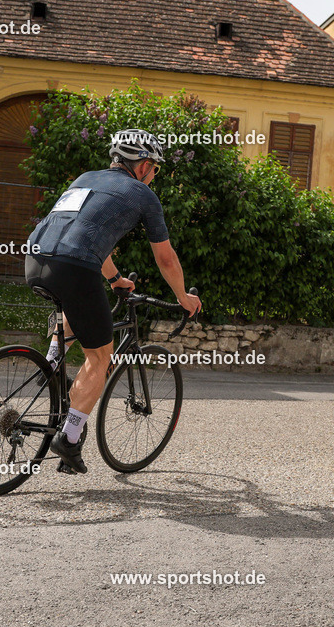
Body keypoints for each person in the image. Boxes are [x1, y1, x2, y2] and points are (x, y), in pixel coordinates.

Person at [25, 128, 202, 474]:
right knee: (101, 357)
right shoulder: (142, 195)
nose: (154, 175)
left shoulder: (85, 178)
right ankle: (70, 438)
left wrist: (114, 279)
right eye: (155, 167)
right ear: (142, 165)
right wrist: (183, 297)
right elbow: (166, 259)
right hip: (74, 268)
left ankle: (52, 360)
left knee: (75, 304)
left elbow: (82, 235)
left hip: (35, 259)